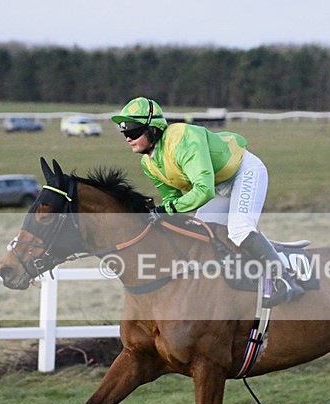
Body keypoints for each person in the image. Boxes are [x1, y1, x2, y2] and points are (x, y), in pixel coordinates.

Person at [111, 96, 302, 307]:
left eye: (133, 132)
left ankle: (285, 278)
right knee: (200, 232)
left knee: (239, 229)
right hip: (218, 185)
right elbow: (172, 200)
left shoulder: (182, 138)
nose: (128, 138)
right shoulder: (148, 163)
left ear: (153, 129)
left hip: (243, 172)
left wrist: (165, 209)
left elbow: (203, 190)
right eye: (124, 133)